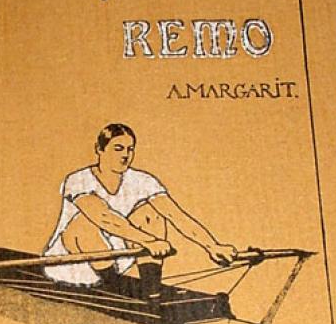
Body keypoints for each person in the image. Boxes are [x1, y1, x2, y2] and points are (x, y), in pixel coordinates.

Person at [43, 123, 237, 295]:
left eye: (130, 149)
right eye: (118, 149)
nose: (125, 155)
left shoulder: (143, 180)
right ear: (99, 149)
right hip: (71, 265)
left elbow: (175, 215)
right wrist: (149, 241)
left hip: (114, 260)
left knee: (151, 214)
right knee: (83, 224)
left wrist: (212, 246)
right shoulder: (78, 180)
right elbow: (104, 217)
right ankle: (116, 293)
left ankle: (151, 292)